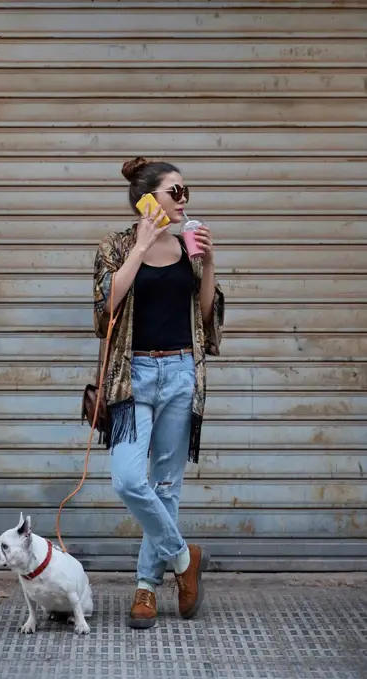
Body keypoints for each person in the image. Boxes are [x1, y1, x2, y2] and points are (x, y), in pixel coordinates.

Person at [93, 157, 224, 628]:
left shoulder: (189, 244)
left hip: (181, 372)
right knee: (129, 480)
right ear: (147, 198)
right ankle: (183, 558)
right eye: (176, 192)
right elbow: (107, 306)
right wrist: (141, 246)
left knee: (167, 485)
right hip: (133, 376)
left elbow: (205, 316)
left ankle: (146, 587)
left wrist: (208, 264)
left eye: (187, 191)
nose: (185, 200)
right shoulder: (115, 244)